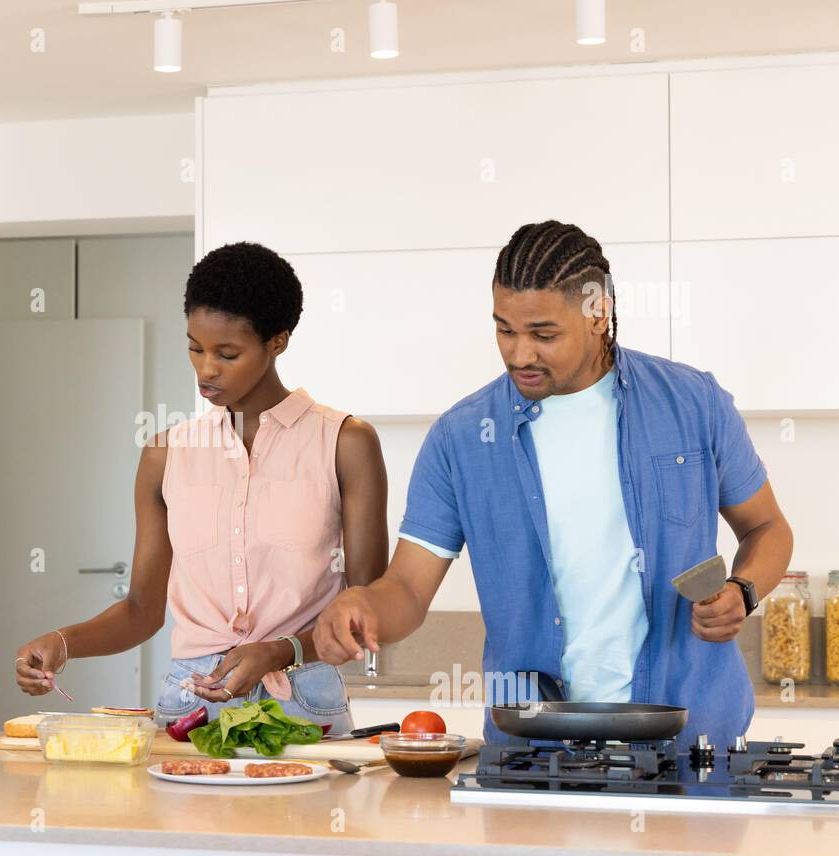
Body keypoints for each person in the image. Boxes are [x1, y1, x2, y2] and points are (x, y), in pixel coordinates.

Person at [313, 220, 793, 751]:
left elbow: (767, 529)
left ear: (598, 314)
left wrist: (743, 591)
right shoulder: (462, 437)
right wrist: (362, 606)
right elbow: (407, 587)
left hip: (691, 746)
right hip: (535, 753)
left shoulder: (692, 403)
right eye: (504, 330)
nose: (520, 355)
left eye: (543, 335)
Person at [14, 241, 388, 733]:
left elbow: (369, 608)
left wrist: (282, 650)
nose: (206, 368)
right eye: (195, 347)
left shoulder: (345, 442)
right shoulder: (165, 453)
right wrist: (62, 643)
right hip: (191, 704)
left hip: (303, 700)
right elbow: (141, 611)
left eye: (227, 354)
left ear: (277, 342)